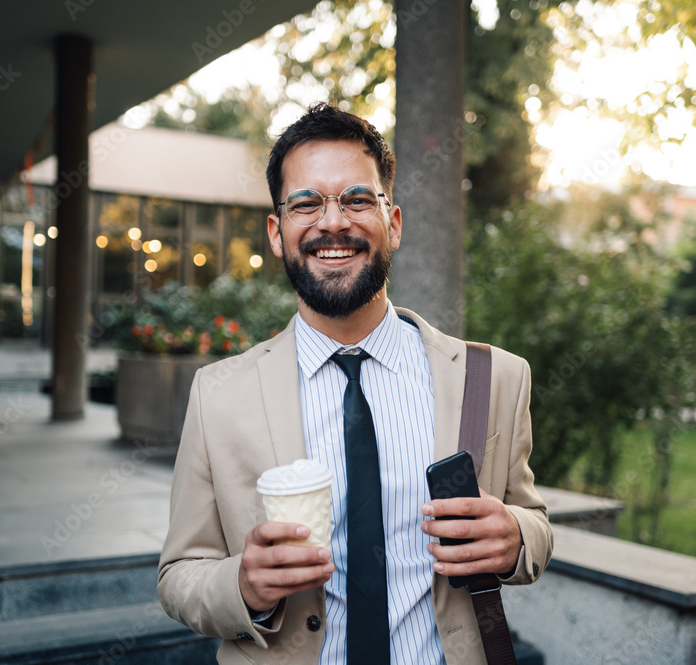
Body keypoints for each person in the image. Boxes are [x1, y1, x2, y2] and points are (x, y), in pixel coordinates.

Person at [158, 102, 553, 665]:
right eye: (306, 204)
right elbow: (179, 575)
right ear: (277, 231)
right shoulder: (218, 394)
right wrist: (243, 587)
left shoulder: (495, 377)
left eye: (357, 199)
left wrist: (516, 538)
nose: (333, 222)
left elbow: (534, 524)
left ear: (393, 222)